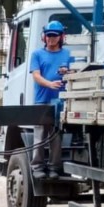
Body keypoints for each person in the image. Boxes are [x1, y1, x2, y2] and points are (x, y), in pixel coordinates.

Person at [29, 20, 74, 177]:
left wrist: (67, 73)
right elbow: (36, 75)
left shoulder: (68, 55)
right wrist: (49, 84)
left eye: (54, 36)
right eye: (48, 36)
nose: (51, 39)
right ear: (44, 37)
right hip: (42, 100)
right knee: (39, 134)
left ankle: (54, 167)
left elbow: (74, 74)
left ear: (61, 37)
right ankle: (37, 167)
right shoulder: (37, 54)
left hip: (60, 102)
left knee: (56, 136)